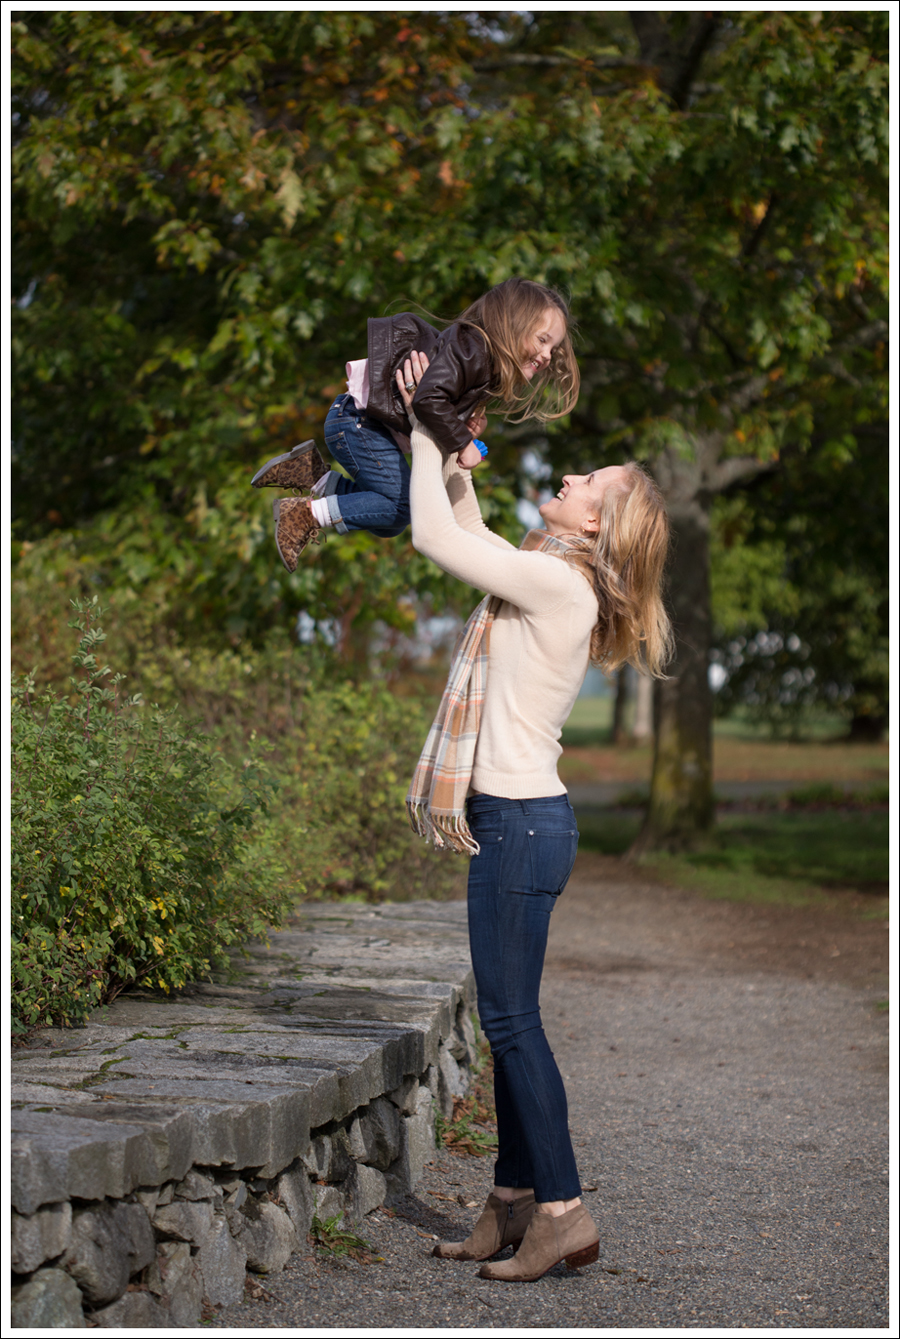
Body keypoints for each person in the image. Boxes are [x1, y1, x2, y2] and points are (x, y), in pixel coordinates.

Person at [397, 351, 673, 1283]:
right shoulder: (549, 574)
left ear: (595, 519)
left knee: (512, 1024)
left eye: (584, 478)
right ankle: (511, 1204)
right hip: (524, 821)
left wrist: (422, 432)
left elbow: (439, 543)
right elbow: (468, 529)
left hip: (519, 824)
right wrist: (450, 468)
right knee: (509, 1019)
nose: (567, 473)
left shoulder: (559, 585)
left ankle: (562, 1210)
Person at [250, 278, 580, 571]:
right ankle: (304, 515)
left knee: (391, 520)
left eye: (553, 348)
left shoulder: (480, 364)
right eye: (542, 340)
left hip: (360, 424)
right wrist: (461, 443)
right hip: (358, 424)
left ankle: (313, 476)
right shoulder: (473, 351)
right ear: (512, 324)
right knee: (402, 506)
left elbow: (433, 405)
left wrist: (461, 427)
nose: (548, 355)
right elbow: (426, 399)